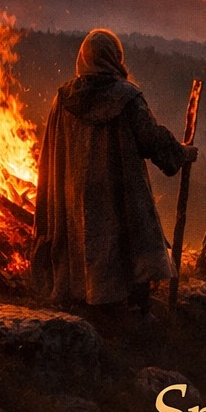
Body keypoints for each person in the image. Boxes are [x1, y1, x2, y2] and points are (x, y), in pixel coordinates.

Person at [31, 28, 196, 313]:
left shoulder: (64, 98)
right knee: (122, 237)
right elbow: (150, 138)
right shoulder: (126, 97)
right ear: (115, 57)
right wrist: (181, 153)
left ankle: (85, 297)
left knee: (81, 236)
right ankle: (126, 305)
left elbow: (52, 149)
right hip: (117, 189)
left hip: (74, 191)